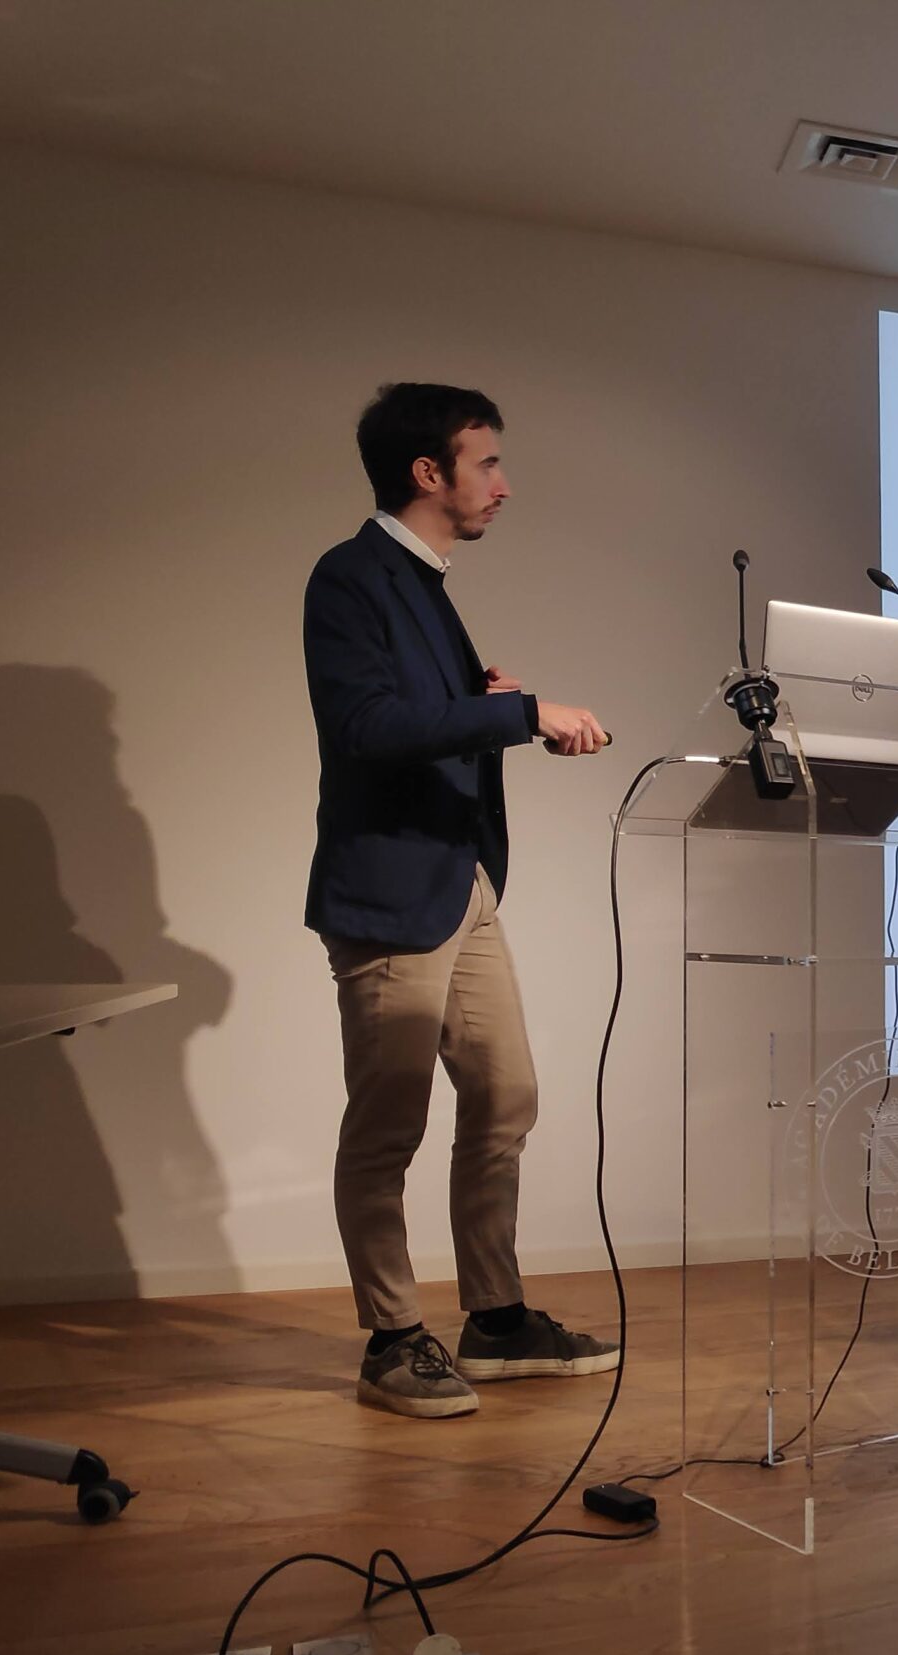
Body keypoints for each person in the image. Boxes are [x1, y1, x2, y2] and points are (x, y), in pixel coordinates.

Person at [303, 382, 616, 1417]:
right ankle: (393, 1339)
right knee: (388, 1125)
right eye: (487, 463)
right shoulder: (351, 577)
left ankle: (495, 1319)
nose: (503, 485)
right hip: (392, 893)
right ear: (427, 472)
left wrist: (486, 708)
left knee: (505, 1098)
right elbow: (367, 727)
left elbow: (423, 718)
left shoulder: (425, 584)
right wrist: (520, 714)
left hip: (461, 883)